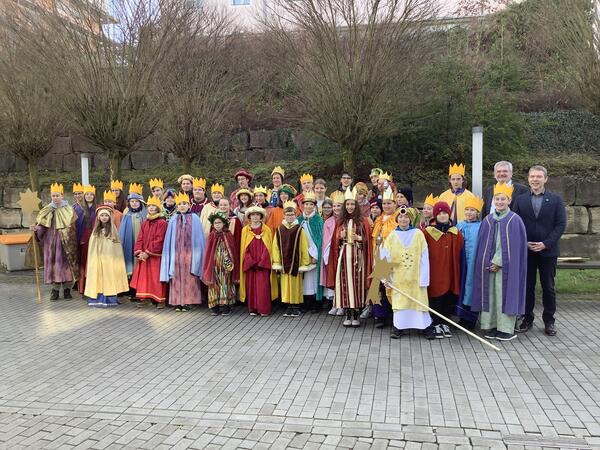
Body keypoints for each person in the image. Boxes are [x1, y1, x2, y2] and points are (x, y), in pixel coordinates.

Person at [512, 165, 566, 336]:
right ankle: (527, 319)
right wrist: (524, 242)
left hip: (548, 251)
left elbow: (560, 225)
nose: (535, 179)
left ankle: (549, 321)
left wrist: (546, 243)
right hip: (526, 251)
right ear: (528, 179)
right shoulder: (520, 200)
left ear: (545, 179)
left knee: (548, 287)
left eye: (539, 176)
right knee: (527, 286)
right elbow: (515, 224)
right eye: (532, 176)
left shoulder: (556, 200)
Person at [472, 183, 527, 341]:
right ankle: (492, 326)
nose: (500, 202)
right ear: (493, 201)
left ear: (509, 201)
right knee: (490, 295)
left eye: (503, 199)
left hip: (506, 268)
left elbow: (515, 247)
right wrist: (487, 263)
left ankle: (506, 328)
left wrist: (498, 261)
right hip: (489, 267)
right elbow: (482, 244)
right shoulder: (488, 220)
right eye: (497, 199)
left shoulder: (514, 220)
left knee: (503, 295)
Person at [381, 206, 431, 339]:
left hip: (416, 276)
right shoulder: (392, 236)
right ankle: (399, 327)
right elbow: (385, 257)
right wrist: (385, 277)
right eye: (401, 217)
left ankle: (424, 327)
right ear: (397, 219)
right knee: (400, 303)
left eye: (406, 217)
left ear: (411, 219)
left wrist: (424, 277)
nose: (403, 219)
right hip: (398, 277)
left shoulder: (418, 234)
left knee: (419, 302)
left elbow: (424, 256)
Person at [326, 187, 372, 327]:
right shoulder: (341, 221)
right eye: (348, 204)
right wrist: (340, 236)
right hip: (344, 256)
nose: (350, 207)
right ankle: (347, 313)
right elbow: (335, 241)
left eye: (352, 204)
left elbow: (368, 240)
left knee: (357, 284)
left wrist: (360, 238)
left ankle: (356, 313)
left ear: (356, 206)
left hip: (358, 257)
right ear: (345, 206)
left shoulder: (363, 220)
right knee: (345, 283)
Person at [423, 201, 464, 339]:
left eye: (445, 213)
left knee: (448, 297)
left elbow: (460, 251)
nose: (442, 216)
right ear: (435, 215)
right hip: (435, 271)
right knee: (436, 297)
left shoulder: (455, 232)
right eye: (439, 213)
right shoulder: (428, 232)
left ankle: (444, 322)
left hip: (451, 270)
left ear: (449, 214)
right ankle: (435, 323)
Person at [32, 183, 78, 300]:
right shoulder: (47, 210)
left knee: (66, 266)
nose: (55, 198)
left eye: (57, 195)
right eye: (53, 196)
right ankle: (55, 290)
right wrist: (36, 229)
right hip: (51, 243)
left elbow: (73, 227)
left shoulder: (69, 209)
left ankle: (67, 289)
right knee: (54, 266)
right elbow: (42, 226)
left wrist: (71, 239)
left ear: (62, 195)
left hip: (65, 243)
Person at [160, 192, 205, 311]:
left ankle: (189, 301)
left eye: (184, 203)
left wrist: (197, 254)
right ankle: (177, 301)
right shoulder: (174, 219)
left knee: (190, 276)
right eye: (179, 204)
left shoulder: (195, 218)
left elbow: (198, 237)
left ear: (189, 205)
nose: (182, 206)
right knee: (176, 276)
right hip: (176, 254)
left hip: (190, 253)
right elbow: (169, 239)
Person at [84, 205, 129, 308]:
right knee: (98, 276)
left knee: (109, 277)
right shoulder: (95, 232)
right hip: (99, 259)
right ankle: (97, 298)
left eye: (106, 215)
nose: (104, 217)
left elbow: (117, 248)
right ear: (99, 217)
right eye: (102, 215)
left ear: (109, 217)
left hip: (110, 260)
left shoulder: (114, 231)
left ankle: (110, 298)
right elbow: (92, 248)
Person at [272, 201, 311, 317]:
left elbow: (304, 246)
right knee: (285, 284)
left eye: (292, 214)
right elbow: (275, 247)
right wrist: (277, 261)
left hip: (296, 263)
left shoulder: (299, 229)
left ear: (295, 216)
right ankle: (288, 305)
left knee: (295, 284)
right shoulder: (279, 230)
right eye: (287, 214)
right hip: (284, 263)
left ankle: (296, 305)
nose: (289, 217)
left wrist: (304, 263)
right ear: (284, 215)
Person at [368, 187, 400, 327]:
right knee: (378, 286)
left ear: (395, 204)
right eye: (384, 204)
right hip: (377, 256)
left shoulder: (398, 220)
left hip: (391, 258)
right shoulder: (378, 220)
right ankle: (379, 315)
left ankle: (394, 315)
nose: (386, 206)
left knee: (391, 286)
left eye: (389, 203)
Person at [130, 196, 168, 309]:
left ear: (158, 208)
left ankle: (159, 299)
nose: (151, 208)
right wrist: (139, 252)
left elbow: (159, 239)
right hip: (144, 256)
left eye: (153, 206)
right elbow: (140, 238)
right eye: (150, 206)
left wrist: (148, 252)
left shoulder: (162, 223)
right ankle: (143, 297)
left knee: (156, 278)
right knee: (144, 278)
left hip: (155, 256)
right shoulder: (145, 222)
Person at [239, 206, 278, 316]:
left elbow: (268, 248)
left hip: (262, 265)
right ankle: (253, 309)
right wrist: (250, 261)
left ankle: (263, 309)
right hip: (251, 264)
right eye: (253, 215)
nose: (255, 217)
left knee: (263, 287)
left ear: (261, 217)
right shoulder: (245, 230)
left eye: (257, 215)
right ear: (249, 217)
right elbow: (244, 248)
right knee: (251, 287)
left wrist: (262, 261)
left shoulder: (266, 230)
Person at [455, 196, 484, 329]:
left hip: (473, 262)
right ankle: (460, 315)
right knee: (461, 286)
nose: (469, 213)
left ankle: (471, 319)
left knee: (471, 287)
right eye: (467, 210)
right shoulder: (459, 225)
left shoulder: (481, 226)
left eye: (472, 210)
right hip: (461, 261)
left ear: (477, 213)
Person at [203, 212, 239, 316]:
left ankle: (225, 305)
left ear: (224, 223)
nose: (217, 225)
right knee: (214, 285)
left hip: (225, 266)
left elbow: (231, 250)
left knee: (225, 284)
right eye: (215, 223)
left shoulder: (228, 235)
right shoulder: (212, 235)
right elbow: (209, 251)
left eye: (219, 222)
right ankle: (215, 306)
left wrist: (229, 261)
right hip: (214, 265)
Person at [297, 191, 324, 312]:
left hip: (314, 253)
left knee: (314, 279)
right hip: (302, 253)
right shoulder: (299, 220)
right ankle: (305, 302)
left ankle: (315, 303)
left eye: (311, 204)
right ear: (303, 205)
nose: (308, 206)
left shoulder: (318, 220)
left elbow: (320, 239)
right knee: (304, 280)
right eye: (306, 204)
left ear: (314, 206)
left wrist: (316, 254)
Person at [119, 183, 147, 283]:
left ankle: (138, 284)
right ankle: (129, 283)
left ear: (140, 202)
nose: (134, 203)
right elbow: (122, 229)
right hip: (128, 242)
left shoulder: (145, 213)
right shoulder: (126, 212)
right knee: (128, 260)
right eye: (132, 201)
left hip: (139, 242)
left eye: (136, 201)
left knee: (137, 262)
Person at [323, 191, 344, 315]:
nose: (336, 208)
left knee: (342, 278)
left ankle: (342, 303)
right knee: (334, 278)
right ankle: (335, 303)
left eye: (339, 206)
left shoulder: (346, 220)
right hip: (331, 253)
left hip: (343, 251)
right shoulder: (328, 222)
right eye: (335, 206)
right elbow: (326, 239)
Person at [74, 185, 96, 295]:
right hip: (84, 239)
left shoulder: (97, 208)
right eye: (87, 194)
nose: (89, 196)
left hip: (95, 239)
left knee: (93, 262)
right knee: (83, 262)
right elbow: (76, 225)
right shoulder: (79, 209)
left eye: (91, 194)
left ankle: (93, 285)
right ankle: (82, 286)